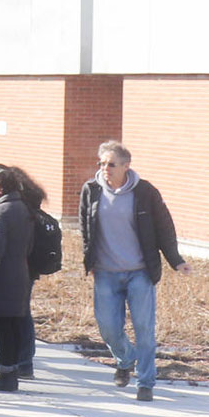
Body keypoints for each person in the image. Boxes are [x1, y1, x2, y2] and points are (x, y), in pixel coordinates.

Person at [79, 141, 187, 401]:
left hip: (139, 271)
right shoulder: (91, 189)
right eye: (102, 164)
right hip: (105, 271)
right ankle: (125, 358)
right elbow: (85, 224)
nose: (105, 169)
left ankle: (146, 382)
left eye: (111, 164)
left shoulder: (145, 192)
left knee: (144, 328)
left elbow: (164, 227)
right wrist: (89, 259)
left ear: (127, 166)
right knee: (108, 328)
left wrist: (176, 260)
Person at [0, 163, 43, 392]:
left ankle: (5, 375)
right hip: (19, 274)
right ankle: (11, 373)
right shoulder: (23, 206)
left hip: (2, 278)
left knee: (3, 327)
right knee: (12, 326)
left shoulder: (2, 210)